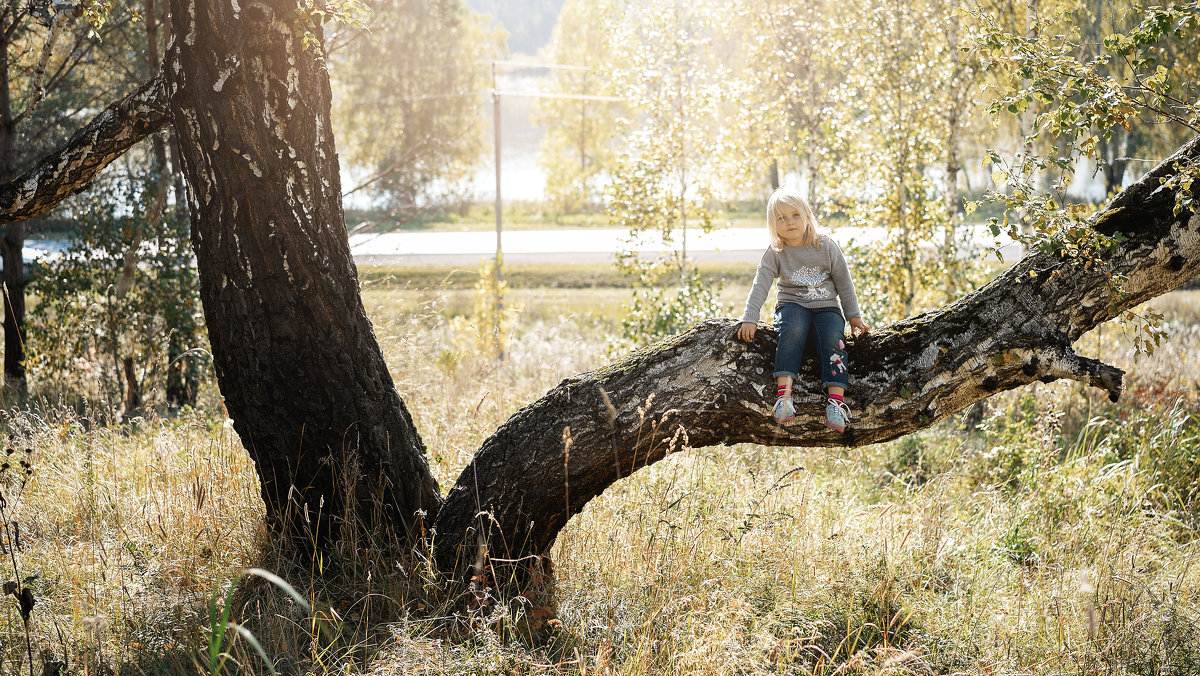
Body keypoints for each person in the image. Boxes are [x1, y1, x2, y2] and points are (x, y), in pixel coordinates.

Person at [737, 186, 870, 431]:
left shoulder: (826, 246)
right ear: (773, 225)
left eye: (795, 215)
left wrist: (853, 316)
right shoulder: (776, 252)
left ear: (808, 216)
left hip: (827, 307)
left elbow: (844, 282)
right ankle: (784, 398)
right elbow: (760, 285)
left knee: (833, 338)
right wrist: (750, 317)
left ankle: (835, 403)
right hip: (792, 304)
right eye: (781, 218)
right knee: (793, 330)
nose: (789, 222)